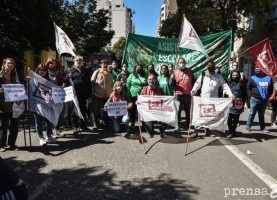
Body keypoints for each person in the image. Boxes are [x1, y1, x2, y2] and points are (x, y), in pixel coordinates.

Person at [190, 61, 234, 138]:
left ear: (214, 66)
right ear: (207, 66)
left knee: (209, 116)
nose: (210, 66)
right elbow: (197, 84)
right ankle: (195, 131)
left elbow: (224, 85)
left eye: (212, 65)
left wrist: (230, 94)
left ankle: (207, 130)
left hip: (213, 100)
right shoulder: (203, 75)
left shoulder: (219, 76)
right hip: (203, 99)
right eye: (209, 65)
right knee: (200, 115)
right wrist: (194, 90)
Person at [31, 64, 57, 145]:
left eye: (44, 70)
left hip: (47, 104)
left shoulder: (49, 82)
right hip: (37, 104)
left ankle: (48, 136)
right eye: (40, 70)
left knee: (50, 120)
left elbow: (54, 90)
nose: (42, 72)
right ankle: (41, 137)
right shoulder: (32, 80)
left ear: (46, 72)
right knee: (38, 121)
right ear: (37, 71)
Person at [66, 55, 92, 131]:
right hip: (74, 95)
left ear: (82, 61)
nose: (78, 61)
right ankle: (75, 126)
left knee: (83, 110)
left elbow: (89, 83)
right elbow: (65, 81)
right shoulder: (70, 70)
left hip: (83, 94)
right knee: (74, 111)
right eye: (77, 60)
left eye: (80, 60)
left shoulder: (85, 71)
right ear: (74, 61)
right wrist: (68, 77)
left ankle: (83, 125)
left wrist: (89, 95)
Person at [136, 74, 167, 138]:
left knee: (166, 115)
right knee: (150, 131)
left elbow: (165, 99)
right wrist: (137, 102)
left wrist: (172, 99)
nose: (151, 81)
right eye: (149, 79)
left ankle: (162, 130)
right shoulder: (144, 89)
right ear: (147, 80)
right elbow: (140, 99)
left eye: (153, 79)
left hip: (157, 111)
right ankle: (145, 124)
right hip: (147, 113)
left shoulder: (160, 89)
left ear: (155, 80)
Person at [169, 58, 195, 132]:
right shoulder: (175, 72)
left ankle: (189, 126)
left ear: (185, 63)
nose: (182, 64)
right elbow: (171, 84)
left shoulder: (190, 71)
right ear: (178, 63)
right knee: (178, 111)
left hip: (188, 95)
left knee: (188, 111)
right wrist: (172, 79)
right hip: (178, 95)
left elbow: (193, 82)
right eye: (180, 62)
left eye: (183, 62)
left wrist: (193, 90)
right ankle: (177, 125)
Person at [0, 58, 20, 152]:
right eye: (8, 63)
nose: (10, 65)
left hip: (14, 104)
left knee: (14, 124)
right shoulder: (0, 76)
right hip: (2, 104)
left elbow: (19, 87)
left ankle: (12, 143)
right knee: (3, 125)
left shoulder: (14, 76)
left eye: (12, 64)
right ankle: (1, 144)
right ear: (4, 64)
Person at [245, 66, 273, 132]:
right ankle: (248, 126)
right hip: (254, 99)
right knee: (252, 113)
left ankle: (262, 127)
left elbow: (270, 89)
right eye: (256, 68)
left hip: (264, 99)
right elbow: (248, 87)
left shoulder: (268, 78)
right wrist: (250, 96)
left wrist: (269, 97)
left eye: (258, 68)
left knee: (261, 114)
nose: (257, 70)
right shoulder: (252, 78)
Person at [91, 59, 113, 129]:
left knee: (106, 110)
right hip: (97, 94)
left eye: (106, 63)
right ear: (101, 65)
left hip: (107, 96)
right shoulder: (97, 72)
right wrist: (92, 93)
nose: (105, 65)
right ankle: (96, 124)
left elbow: (112, 84)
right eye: (103, 63)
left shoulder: (109, 74)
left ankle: (105, 123)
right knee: (95, 110)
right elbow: (92, 82)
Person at [45, 57, 64, 137]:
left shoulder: (59, 73)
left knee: (58, 113)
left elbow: (62, 82)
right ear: (48, 64)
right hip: (47, 97)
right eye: (51, 63)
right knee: (48, 114)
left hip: (56, 96)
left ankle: (57, 129)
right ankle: (49, 132)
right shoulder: (44, 72)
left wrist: (63, 85)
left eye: (54, 63)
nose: (53, 65)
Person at [227, 71, 248, 138]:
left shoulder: (241, 84)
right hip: (229, 103)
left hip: (238, 103)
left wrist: (246, 103)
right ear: (231, 76)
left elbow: (245, 94)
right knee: (229, 118)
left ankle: (234, 131)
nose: (235, 76)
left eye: (236, 75)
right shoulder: (228, 83)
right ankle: (230, 131)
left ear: (238, 76)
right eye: (233, 75)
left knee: (236, 119)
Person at [126, 64, 147, 128]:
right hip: (132, 95)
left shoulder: (144, 75)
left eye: (140, 67)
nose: (139, 68)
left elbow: (146, 83)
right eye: (138, 67)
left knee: (142, 110)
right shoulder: (131, 75)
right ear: (135, 68)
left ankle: (143, 123)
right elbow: (128, 85)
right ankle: (132, 123)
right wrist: (128, 94)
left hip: (142, 96)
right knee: (133, 110)